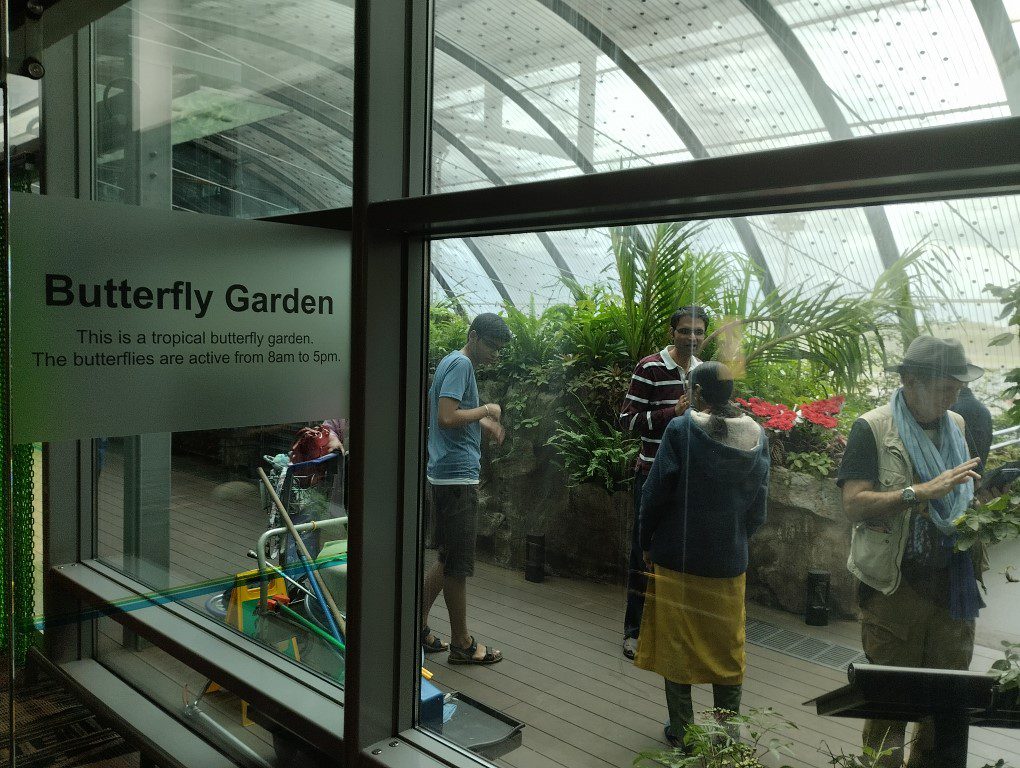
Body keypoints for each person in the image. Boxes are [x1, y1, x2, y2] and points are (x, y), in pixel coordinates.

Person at [838, 336, 984, 768]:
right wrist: (915, 493)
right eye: (944, 386)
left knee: (945, 706)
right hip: (894, 589)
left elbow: (962, 497)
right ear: (909, 381)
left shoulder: (956, 425)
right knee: (889, 708)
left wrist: (990, 497)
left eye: (957, 386)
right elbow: (853, 505)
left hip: (952, 587)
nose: (954, 395)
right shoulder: (873, 428)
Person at [633, 361, 770, 749]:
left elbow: (655, 493)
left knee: (677, 644)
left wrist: (646, 541)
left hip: (677, 556)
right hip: (728, 561)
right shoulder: (759, 436)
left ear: (697, 392)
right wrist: (736, 539)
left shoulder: (681, 430)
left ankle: (684, 731)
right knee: (727, 648)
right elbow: (759, 507)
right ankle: (727, 734)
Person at [618, 306, 709, 659]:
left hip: (690, 481)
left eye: (698, 332)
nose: (691, 337)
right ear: (672, 333)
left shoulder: (704, 372)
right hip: (653, 477)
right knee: (643, 553)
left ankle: (675, 629)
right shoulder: (651, 367)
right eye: (684, 331)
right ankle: (634, 631)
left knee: (683, 555)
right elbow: (627, 421)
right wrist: (673, 411)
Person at [420, 313, 511, 664]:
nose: (495, 355)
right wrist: (487, 409)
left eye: (500, 350)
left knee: (446, 559)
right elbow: (446, 416)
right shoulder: (462, 365)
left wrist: (484, 423)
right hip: (456, 479)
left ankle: (418, 625)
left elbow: (450, 414)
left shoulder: (449, 360)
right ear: (473, 336)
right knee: (456, 566)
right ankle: (462, 644)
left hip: (446, 476)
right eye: (491, 346)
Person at [950, 385, 993, 473]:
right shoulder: (983, 409)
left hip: (957, 469)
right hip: (978, 464)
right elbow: (988, 438)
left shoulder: (952, 408)